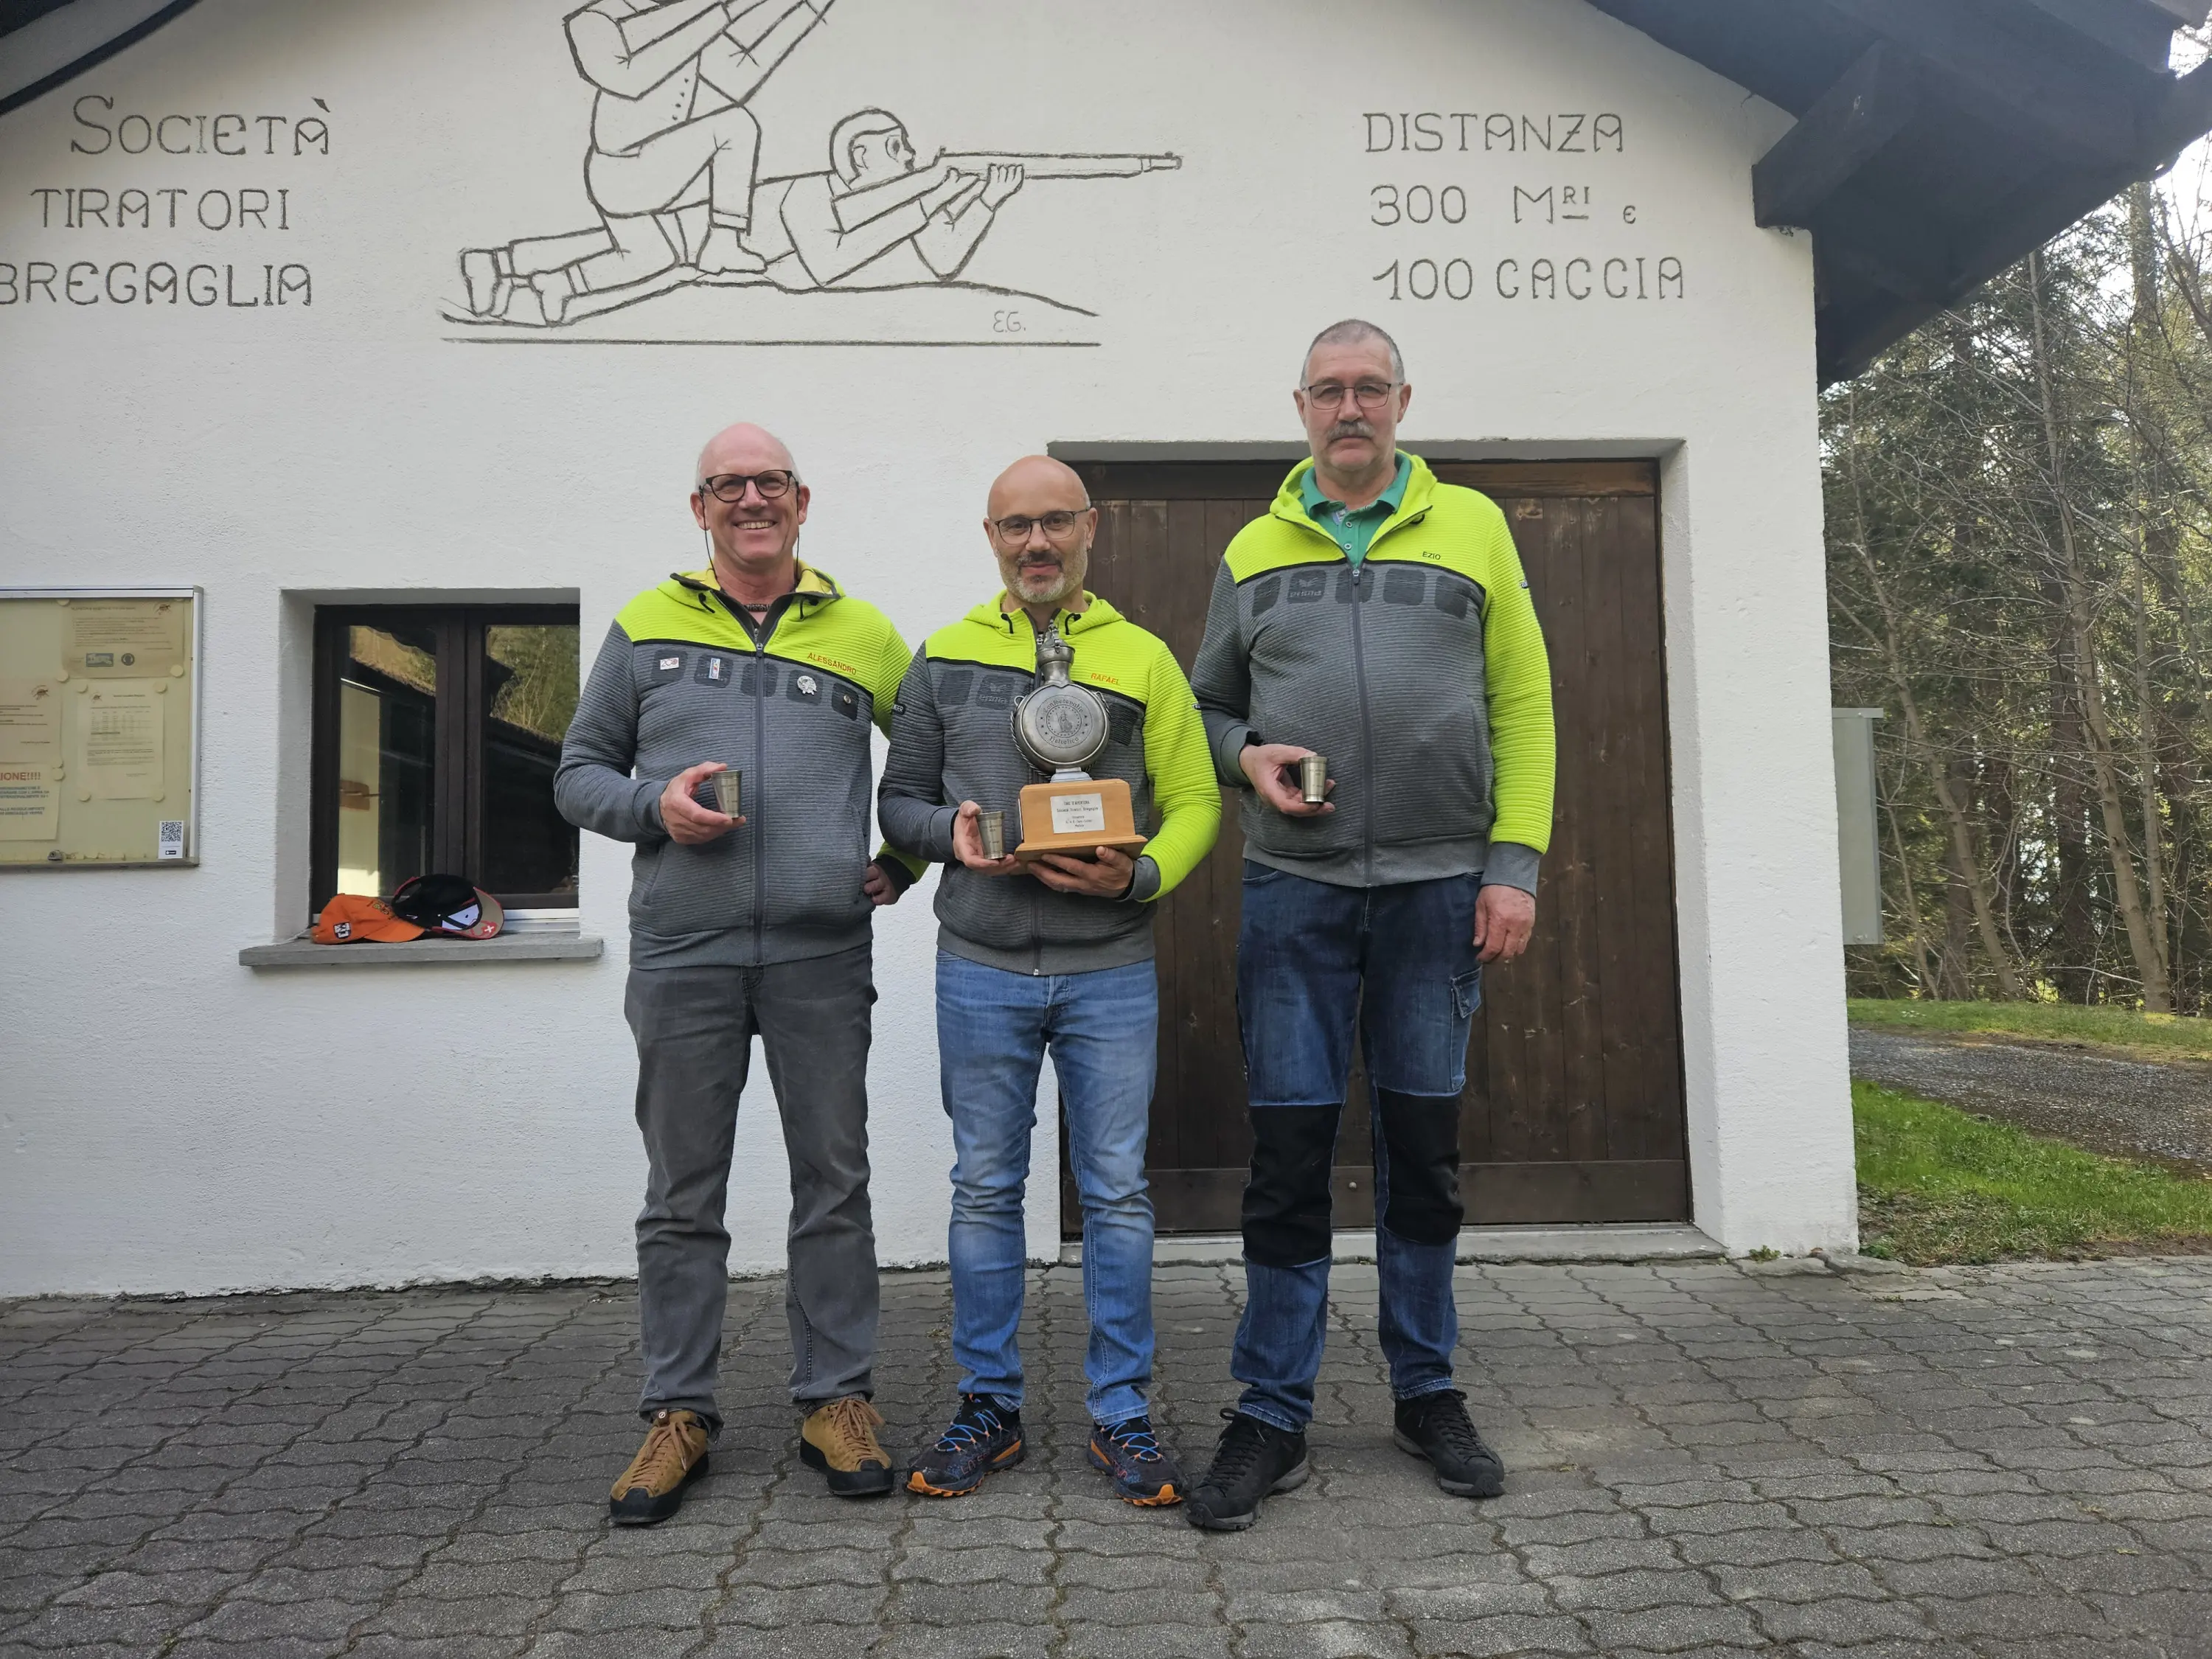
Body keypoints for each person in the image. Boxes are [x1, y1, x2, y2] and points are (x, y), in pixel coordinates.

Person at [1181, 320, 1556, 1531]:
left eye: (1370, 389)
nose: (1351, 408)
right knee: (1290, 1156)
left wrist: (1513, 868)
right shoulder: (1252, 548)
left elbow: (1524, 702)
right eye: (1330, 391)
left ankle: (1426, 1389)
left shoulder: (1474, 527)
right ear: (1300, 406)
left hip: (1440, 892)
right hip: (1293, 892)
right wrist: (1247, 754)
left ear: (1402, 401)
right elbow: (1203, 704)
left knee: (1423, 1151)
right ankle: (1272, 1409)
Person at [555, 422, 919, 1523]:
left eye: (770, 484)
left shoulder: (865, 633)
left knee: (835, 1182)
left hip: (821, 954)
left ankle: (836, 1399)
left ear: (802, 502)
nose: (751, 499)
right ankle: (679, 1412)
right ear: (700, 507)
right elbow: (577, 772)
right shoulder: (644, 627)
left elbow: (931, 759)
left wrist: (903, 858)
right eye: (729, 485)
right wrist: (651, 808)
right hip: (684, 952)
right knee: (682, 1194)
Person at [878, 456, 1220, 1505]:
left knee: (1115, 1192)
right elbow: (900, 800)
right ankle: (989, 1406)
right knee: (985, 1187)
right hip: (980, 966)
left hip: (1109, 970)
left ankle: (1120, 1411)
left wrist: (1144, 874)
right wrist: (948, 835)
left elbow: (1198, 799)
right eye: (1016, 525)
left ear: (1090, 528)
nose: (1037, 542)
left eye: (1056, 522)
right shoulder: (942, 656)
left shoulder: (1144, 657)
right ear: (991, 537)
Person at [460, 0, 839, 324]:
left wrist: (804, 8)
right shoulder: (592, 22)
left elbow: (743, 64)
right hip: (623, 169)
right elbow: (631, 78)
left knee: (651, 257)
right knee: (736, 127)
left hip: (648, 169)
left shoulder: (683, 20)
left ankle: (525, 274)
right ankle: (723, 242)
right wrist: (717, 10)